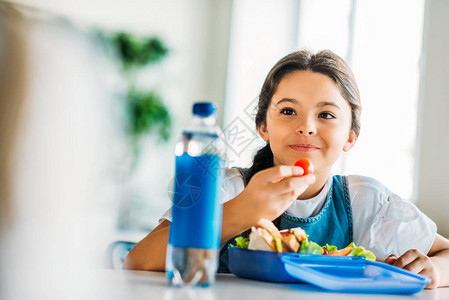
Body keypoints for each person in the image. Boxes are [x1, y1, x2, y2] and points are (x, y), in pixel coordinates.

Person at [124, 50, 449, 289]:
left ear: (350, 136)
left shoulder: (365, 202)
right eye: (289, 110)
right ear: (263, 126)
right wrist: (240, 212)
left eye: (325, 115)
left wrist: (434, 269)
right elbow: (139, 260)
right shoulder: (230, 188)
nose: (306, 127)